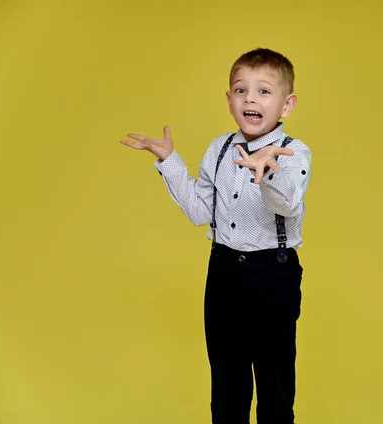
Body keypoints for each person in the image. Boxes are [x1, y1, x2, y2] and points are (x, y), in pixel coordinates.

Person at [120, 47, 312, 424]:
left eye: (263, 91)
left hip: (272, 276)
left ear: (286, 105)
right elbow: (198, 212)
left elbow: (289, 204)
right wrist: (169, 162)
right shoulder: (219, 148)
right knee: (227, 384)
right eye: (241, 91)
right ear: (229, 100)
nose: (250, 99)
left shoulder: (294, 153)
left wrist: (266, 171)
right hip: (224, 274)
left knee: (274, 385)